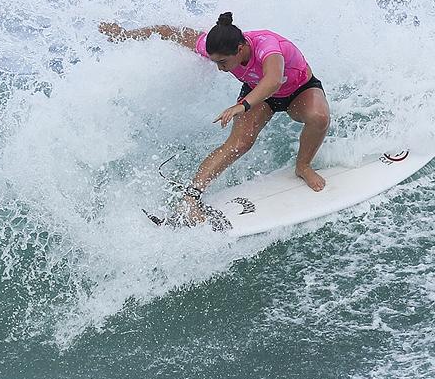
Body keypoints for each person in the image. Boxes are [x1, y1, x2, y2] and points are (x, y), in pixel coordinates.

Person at [99, 12, 330, 222]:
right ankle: (190, 198)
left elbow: (273, 80)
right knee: (239, 143)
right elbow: (170, 32)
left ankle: (303, 166)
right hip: (258, 92)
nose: (220, 68)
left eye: (223, 62)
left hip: (298, 90)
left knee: (319, 117)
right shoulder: (218, 46)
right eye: (215, 62)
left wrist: (242, 107)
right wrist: (126, 34)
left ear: (240, 49)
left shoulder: (267, 46)